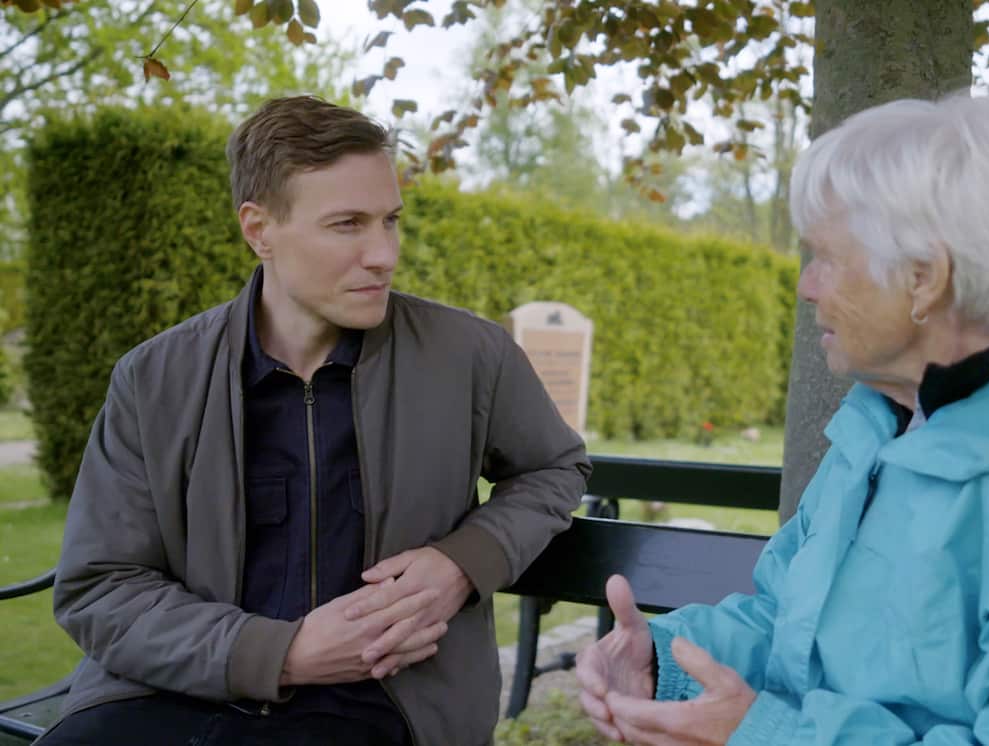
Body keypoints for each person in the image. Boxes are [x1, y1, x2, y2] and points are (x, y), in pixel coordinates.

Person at [576, 95, 989, 745]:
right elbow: (791, 624)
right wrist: (664, 662)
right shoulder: (884, 418)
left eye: (826, 257)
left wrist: (767, 736)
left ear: (924, 278)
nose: (806, 286)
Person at [42, 95, 590, 746]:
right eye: (347, 224)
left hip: (384, 697)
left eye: (390, 221)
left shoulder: (469, 355)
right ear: (259, 230)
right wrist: (283, 654)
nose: (383, 253)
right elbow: (102, 588)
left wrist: (464, 562)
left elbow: (555, 468)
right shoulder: (154, 378)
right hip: (169, 691)